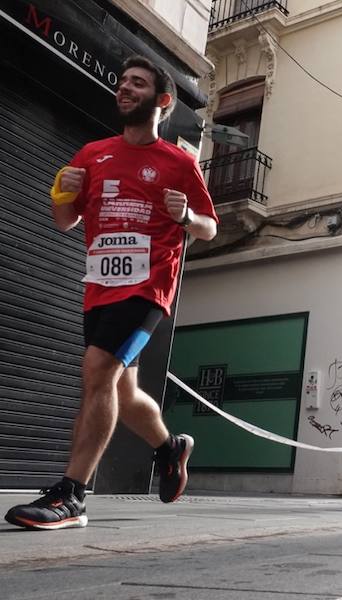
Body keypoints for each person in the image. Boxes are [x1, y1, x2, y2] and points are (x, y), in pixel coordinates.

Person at [4, 56, 218, 531]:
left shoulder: (179, 162)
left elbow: (208, 228)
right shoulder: (92, 153)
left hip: (148, 287)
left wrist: (185, 215)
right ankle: (170, 447)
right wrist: (61, 192)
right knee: (122, 386)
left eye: (137, 84)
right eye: (122, 82)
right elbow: (66, 221)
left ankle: (71, 495)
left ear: (162, 101)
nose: (124, 89)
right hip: (99, 287)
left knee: (98, 371)